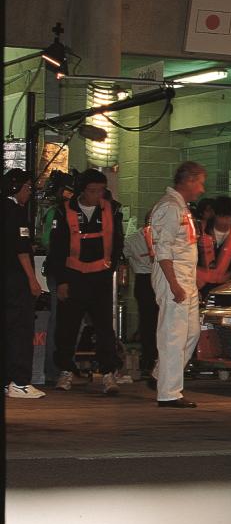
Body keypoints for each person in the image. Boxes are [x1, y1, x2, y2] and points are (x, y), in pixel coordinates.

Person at [47, 169, 124, 395]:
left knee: (104, 328)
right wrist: (62, 281)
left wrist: (112, 270)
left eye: (101, 191)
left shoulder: (112, 210)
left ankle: (108, 373)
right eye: (92, 191)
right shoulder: (63, 211)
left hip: (100, 279)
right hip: (73, 278)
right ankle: (65, 371)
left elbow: (117, 243)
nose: (97, 195)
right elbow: (57, 249)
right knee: (67, 328)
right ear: (82, 190)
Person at [150, 161, 207, 408]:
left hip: (185, 278)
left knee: (191, 332)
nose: (202, 189)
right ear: (189, 181)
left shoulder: (180, 207)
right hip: (173, 277)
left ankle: (161, 375)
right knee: (173, 334)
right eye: (200, 183)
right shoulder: (170, 207)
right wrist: (174, 284)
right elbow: (162, 249)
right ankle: (169, 392)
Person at [3, 169, 45, 399]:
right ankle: (19, 382)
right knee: (20, 330)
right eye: (28, 187)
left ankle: (6, 381)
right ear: (15, 187)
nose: (29, 192)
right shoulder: (16, 212)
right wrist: (32, 280)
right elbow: (21, 250)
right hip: (15, 281)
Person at [39, 170, 75, 385]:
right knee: (60, 320)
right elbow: (48, 241)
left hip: (62, 270)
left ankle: (60, 367)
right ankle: (56, 368)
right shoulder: (58, 213)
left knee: (63, 320)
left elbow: (45, 240)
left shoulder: (58, 212)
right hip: (64, 271)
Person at [124, 210, 159, 378]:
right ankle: (149, 359)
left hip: (161, 278)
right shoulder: (132, 240)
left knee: (162, 321)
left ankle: (158, 359)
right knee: (148, 321)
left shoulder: (163, 237)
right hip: (144, 279)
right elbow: (123, 256)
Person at [197, 195, 231, 296]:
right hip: (198, 287)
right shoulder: (199, 231)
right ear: (214, 214)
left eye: (228, 217)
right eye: (221, 216)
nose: (225, 221)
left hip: (224, 289)